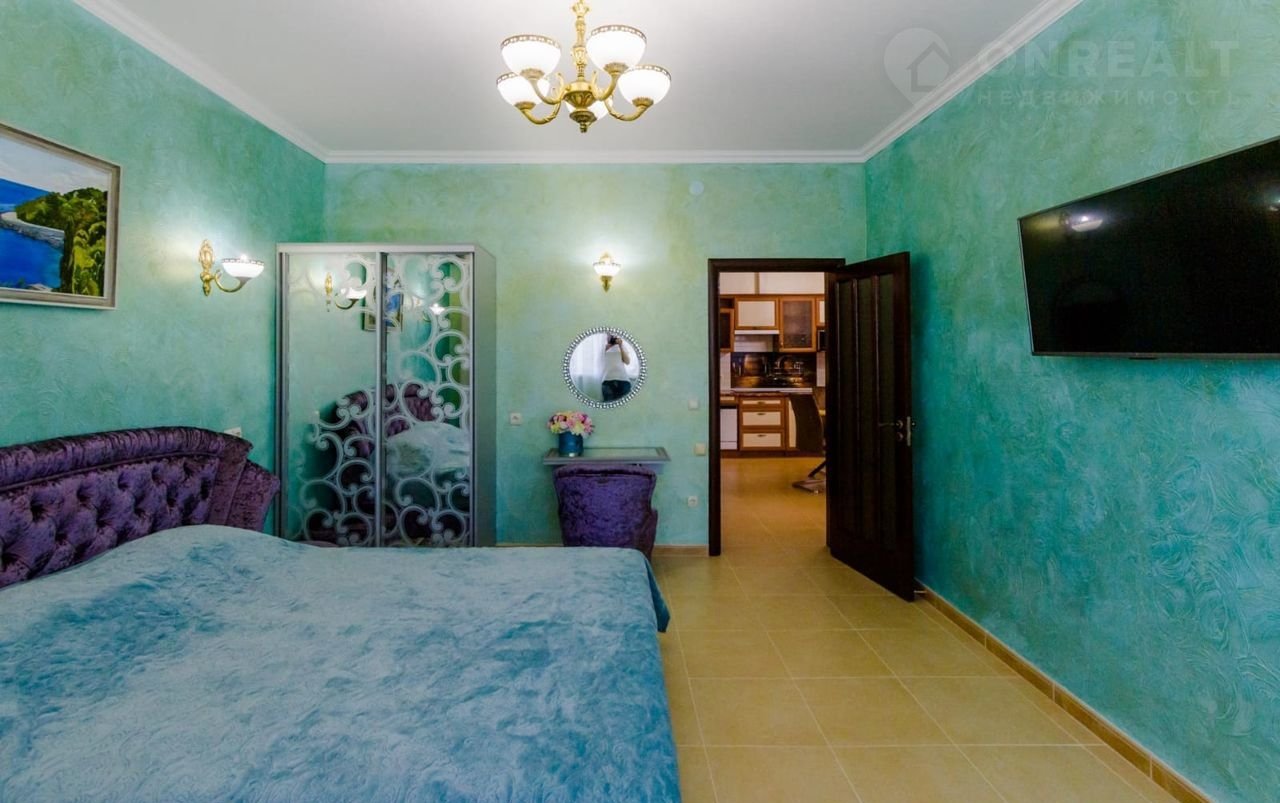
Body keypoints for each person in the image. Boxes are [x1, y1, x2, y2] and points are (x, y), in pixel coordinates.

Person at [601, 334, 633, 402]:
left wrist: (620, 346)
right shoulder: (603, 347)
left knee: (625, 406)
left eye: (613, 336)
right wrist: (606, 349)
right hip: (607, 380)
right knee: (608, 405)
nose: (612, 337)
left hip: (623, 380)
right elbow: (599, 362)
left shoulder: (622, 346)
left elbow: (627, 362)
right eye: (609, 335)